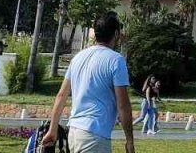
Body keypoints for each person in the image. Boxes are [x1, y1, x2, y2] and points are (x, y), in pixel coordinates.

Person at [43, 12, 135, 153]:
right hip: (94, 135)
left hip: (74, 131)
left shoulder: (78, 57)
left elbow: (61, 96)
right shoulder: (116, 60)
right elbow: (123, 104)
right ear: (116, 34)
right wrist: (129, 140)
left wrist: (52, 129)